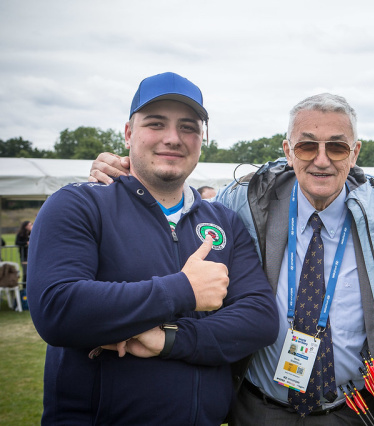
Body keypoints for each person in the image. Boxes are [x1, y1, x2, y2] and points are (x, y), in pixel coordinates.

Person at [89, 93, 374, 426]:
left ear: (355, 153)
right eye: (307, 145)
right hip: (259, 408)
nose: (321, 159)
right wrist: (128, 175)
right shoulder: (243, 203)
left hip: (357, 409)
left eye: (337, 146)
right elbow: (177, 210)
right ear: (287, 148)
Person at [27, 72, 279, 425]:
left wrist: (166, 340)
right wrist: (182, 290)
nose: (173, 138)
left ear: (202, 139)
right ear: (128, 133)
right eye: (156, 123)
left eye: (188, 127)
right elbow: (57, 308)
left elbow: (260, 319)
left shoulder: (223, 220)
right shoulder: (78, 204)